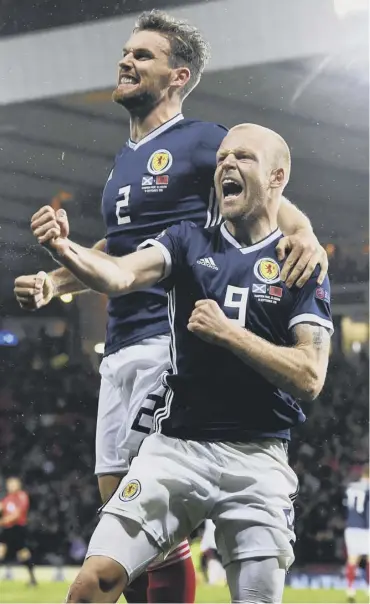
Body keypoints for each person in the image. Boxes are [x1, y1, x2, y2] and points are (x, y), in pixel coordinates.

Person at [15, 10, 327, 602]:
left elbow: (276, 199)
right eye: (126, 52)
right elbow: (121, 251)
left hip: (169, 338)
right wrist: (58, 279)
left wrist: (307, 234)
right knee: (115, 500)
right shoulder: (122, 166)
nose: (126, 60)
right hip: (121, 342)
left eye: (143, 55)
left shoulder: (204, 141)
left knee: (152, 517)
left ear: (178, 76)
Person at [0, 477, 37, 586]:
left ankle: (32, 579)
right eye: (9, 484)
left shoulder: (22, 496)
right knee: (1, 550)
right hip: (7, 529)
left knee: (23, 553)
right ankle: (33, 579)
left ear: (18, 485)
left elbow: (17, 514)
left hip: (17, 528)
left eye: (13, 484)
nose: (11, 486)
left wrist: (2, 521)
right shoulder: (7, 498)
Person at [344, 465, 369, 603]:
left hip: (351, 527)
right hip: (365, 527)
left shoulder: (352, 487)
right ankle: (369, 588)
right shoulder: (368, 488)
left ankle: (350, 589)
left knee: (352, 559)